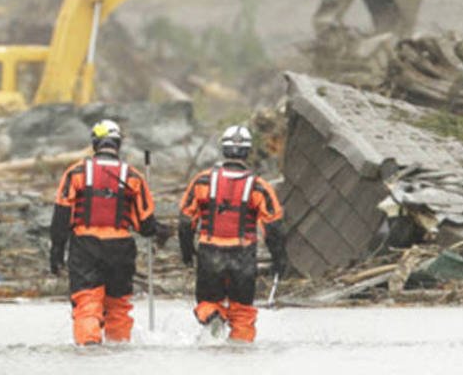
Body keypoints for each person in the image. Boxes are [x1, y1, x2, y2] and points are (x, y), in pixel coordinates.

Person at [49, 119, 172, 345]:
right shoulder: (133, 176)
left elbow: (61, 216)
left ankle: (90, 350)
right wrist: (163, 232)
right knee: (118, 306)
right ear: (117, 145)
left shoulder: (75, 173)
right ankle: (119, 352)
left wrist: (56, 252)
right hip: (120, 248)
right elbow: (146, 225)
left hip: (85, 246)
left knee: (87, 303)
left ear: (95, 143)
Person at [177, 124, 287, 343]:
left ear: (224, 149)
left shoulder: (202, 181)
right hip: (243, 255)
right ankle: (240, 355)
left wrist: (187, 252)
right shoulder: (259, 187)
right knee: (243, 313)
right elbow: (273, 227)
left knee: (207, 302)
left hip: (210, 253)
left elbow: (185, 221)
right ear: (247, 152)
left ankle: (213, 316)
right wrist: (279, 259)